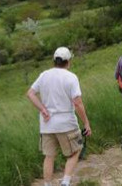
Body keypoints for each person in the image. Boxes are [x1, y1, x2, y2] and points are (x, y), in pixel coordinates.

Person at [26, 47, 91, 186]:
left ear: (54, 61)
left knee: (49, 156)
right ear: (68, 61)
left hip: (46, 124)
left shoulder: (44, 75)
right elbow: (77, 103)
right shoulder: (71, 77)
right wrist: (86, 123)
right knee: (75, 151)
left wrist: (42, 109)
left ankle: (47, 184)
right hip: (66, 123)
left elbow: (30, 93)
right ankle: (65, 182)